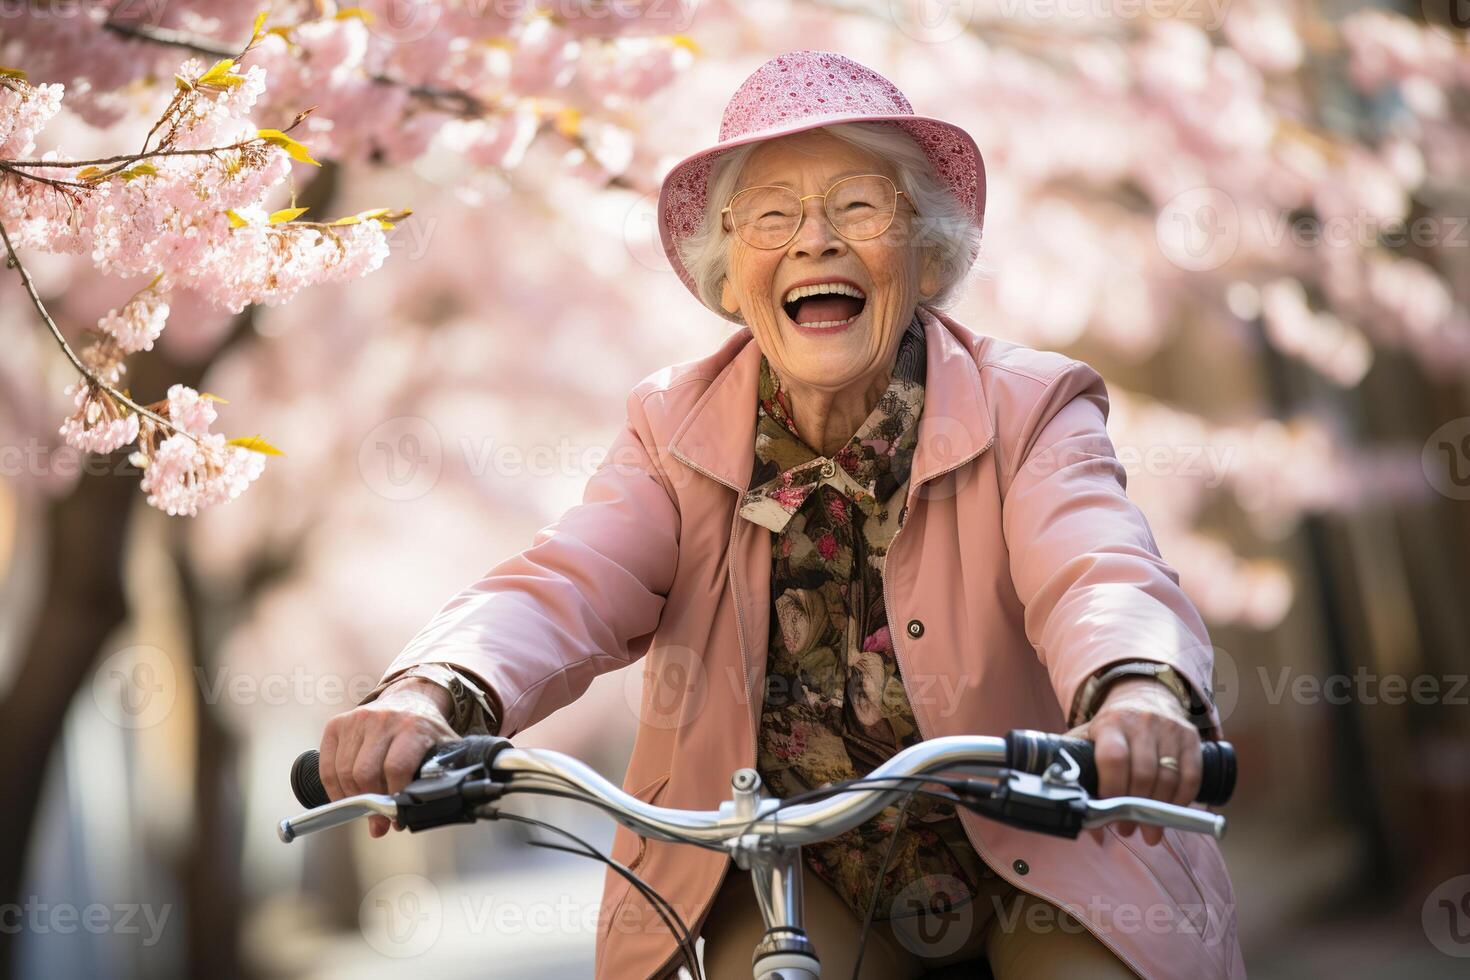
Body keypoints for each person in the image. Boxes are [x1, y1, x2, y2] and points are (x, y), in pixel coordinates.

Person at [317, 50, 1245, 979]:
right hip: (807, 875)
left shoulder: (1030, 406)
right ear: (731, 278)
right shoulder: (671, 430)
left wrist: (1137, 691)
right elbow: (569, 579)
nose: (815, 241)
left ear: (925, 252)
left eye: (859, 205)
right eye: (772, 214)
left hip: (1046, 855)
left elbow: (1099, 566)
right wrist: (430, 688)